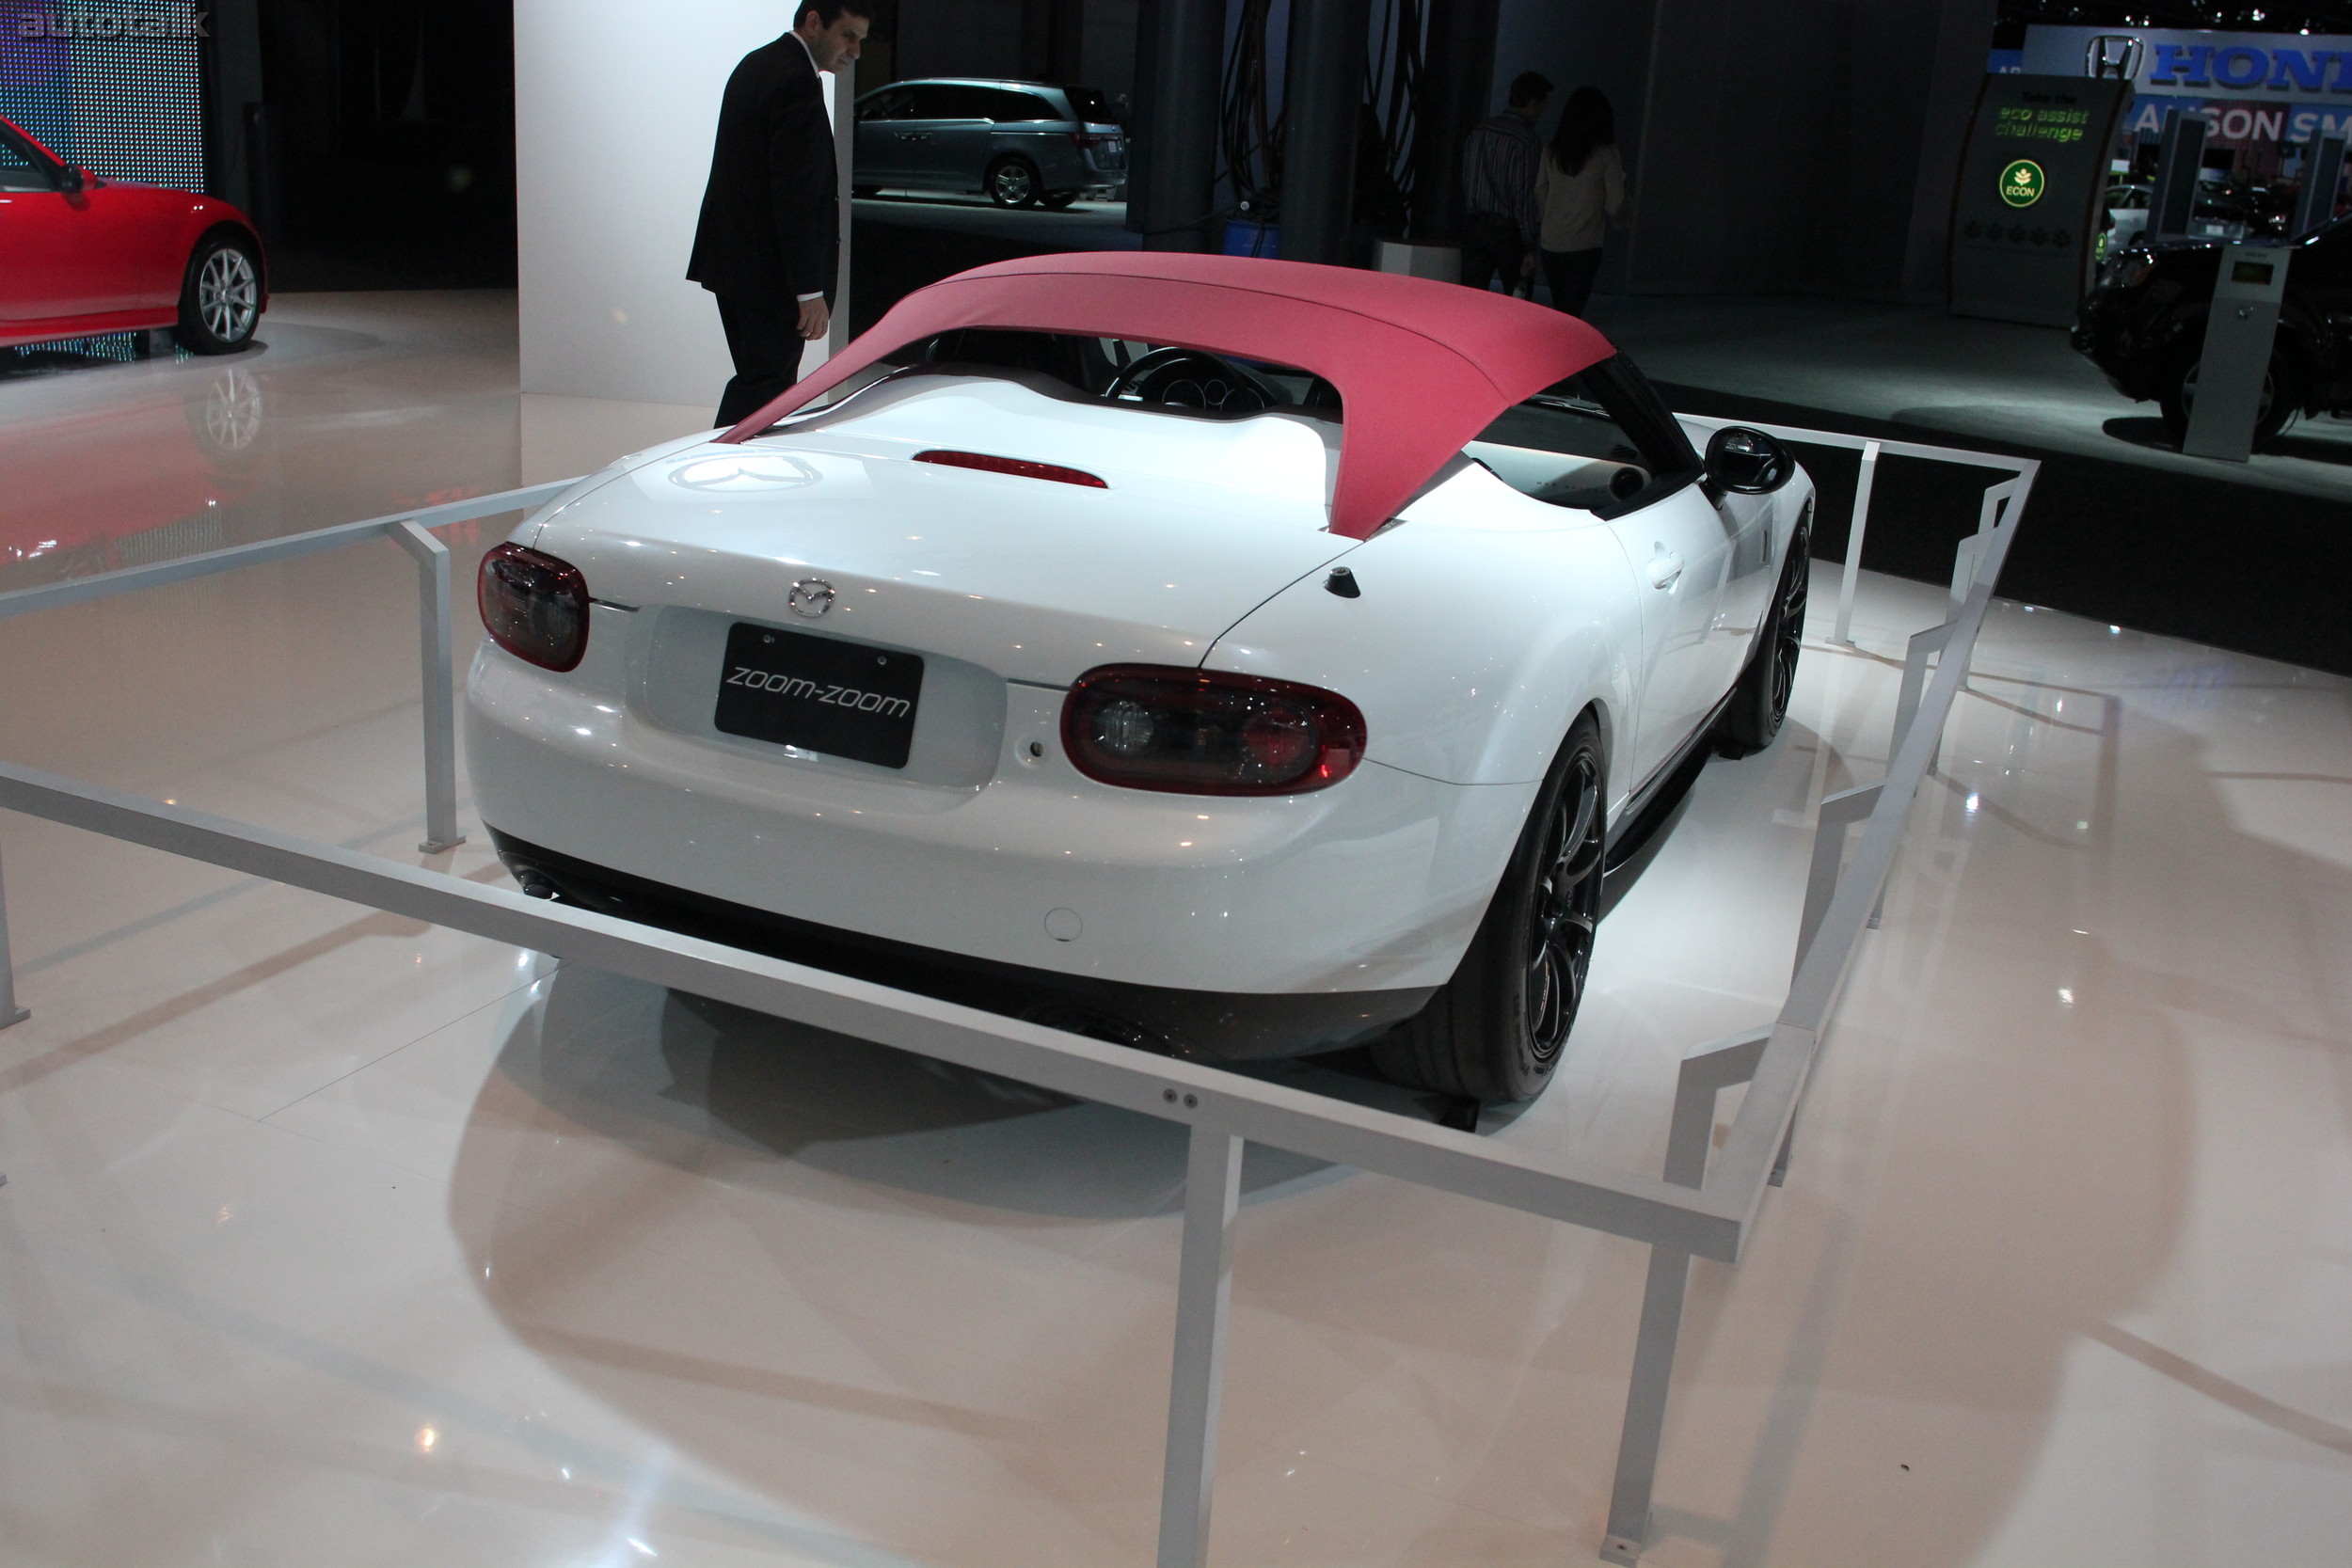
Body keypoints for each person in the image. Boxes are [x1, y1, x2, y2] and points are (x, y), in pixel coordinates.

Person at [689, 0, 872, 428]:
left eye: (860, 40)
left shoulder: (755, 64)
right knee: (765, 388)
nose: (856, 51)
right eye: (848, 35)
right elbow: (795, 197)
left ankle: (726, 471)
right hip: (769, 277)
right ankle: (717, 469)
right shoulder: (795, 83)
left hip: (736, 266)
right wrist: (809, 291)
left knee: (759, 381)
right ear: (813, 23)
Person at [1533, 87, 1625, 319]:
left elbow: (1539, 191)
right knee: (1572, 312)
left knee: (1560, 308)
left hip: (1551, 242)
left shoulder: (1551, 152)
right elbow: (1615, 205)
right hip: (1584, 245)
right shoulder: (1606, 155)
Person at [1460, 71, 1550, 296]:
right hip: (1508, 232)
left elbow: (1467, 180)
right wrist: (1530, 245)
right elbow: (1523, 196)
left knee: (1471, 298)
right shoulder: (1525, 140)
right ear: (1534, 103)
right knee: (1516, 297)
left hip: (1475, 224)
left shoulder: (1479, 132)